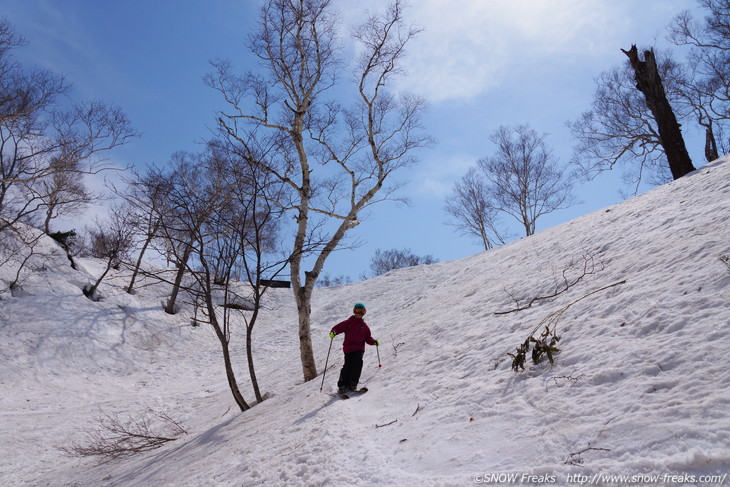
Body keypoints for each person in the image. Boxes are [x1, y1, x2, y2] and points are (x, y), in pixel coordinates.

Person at [329, 302, 379, 395]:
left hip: (359, 348)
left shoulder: (364, 326)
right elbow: (338, 328)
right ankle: (342, 385)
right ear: (354, 311)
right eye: (358, 311)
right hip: (348, 348)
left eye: (362, 311)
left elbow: (368, 338)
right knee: (348, 365)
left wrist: (373, 342)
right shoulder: (348, 323)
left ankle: (353, 383)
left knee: (357, 365)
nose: (360, 313)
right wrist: (334, 332)